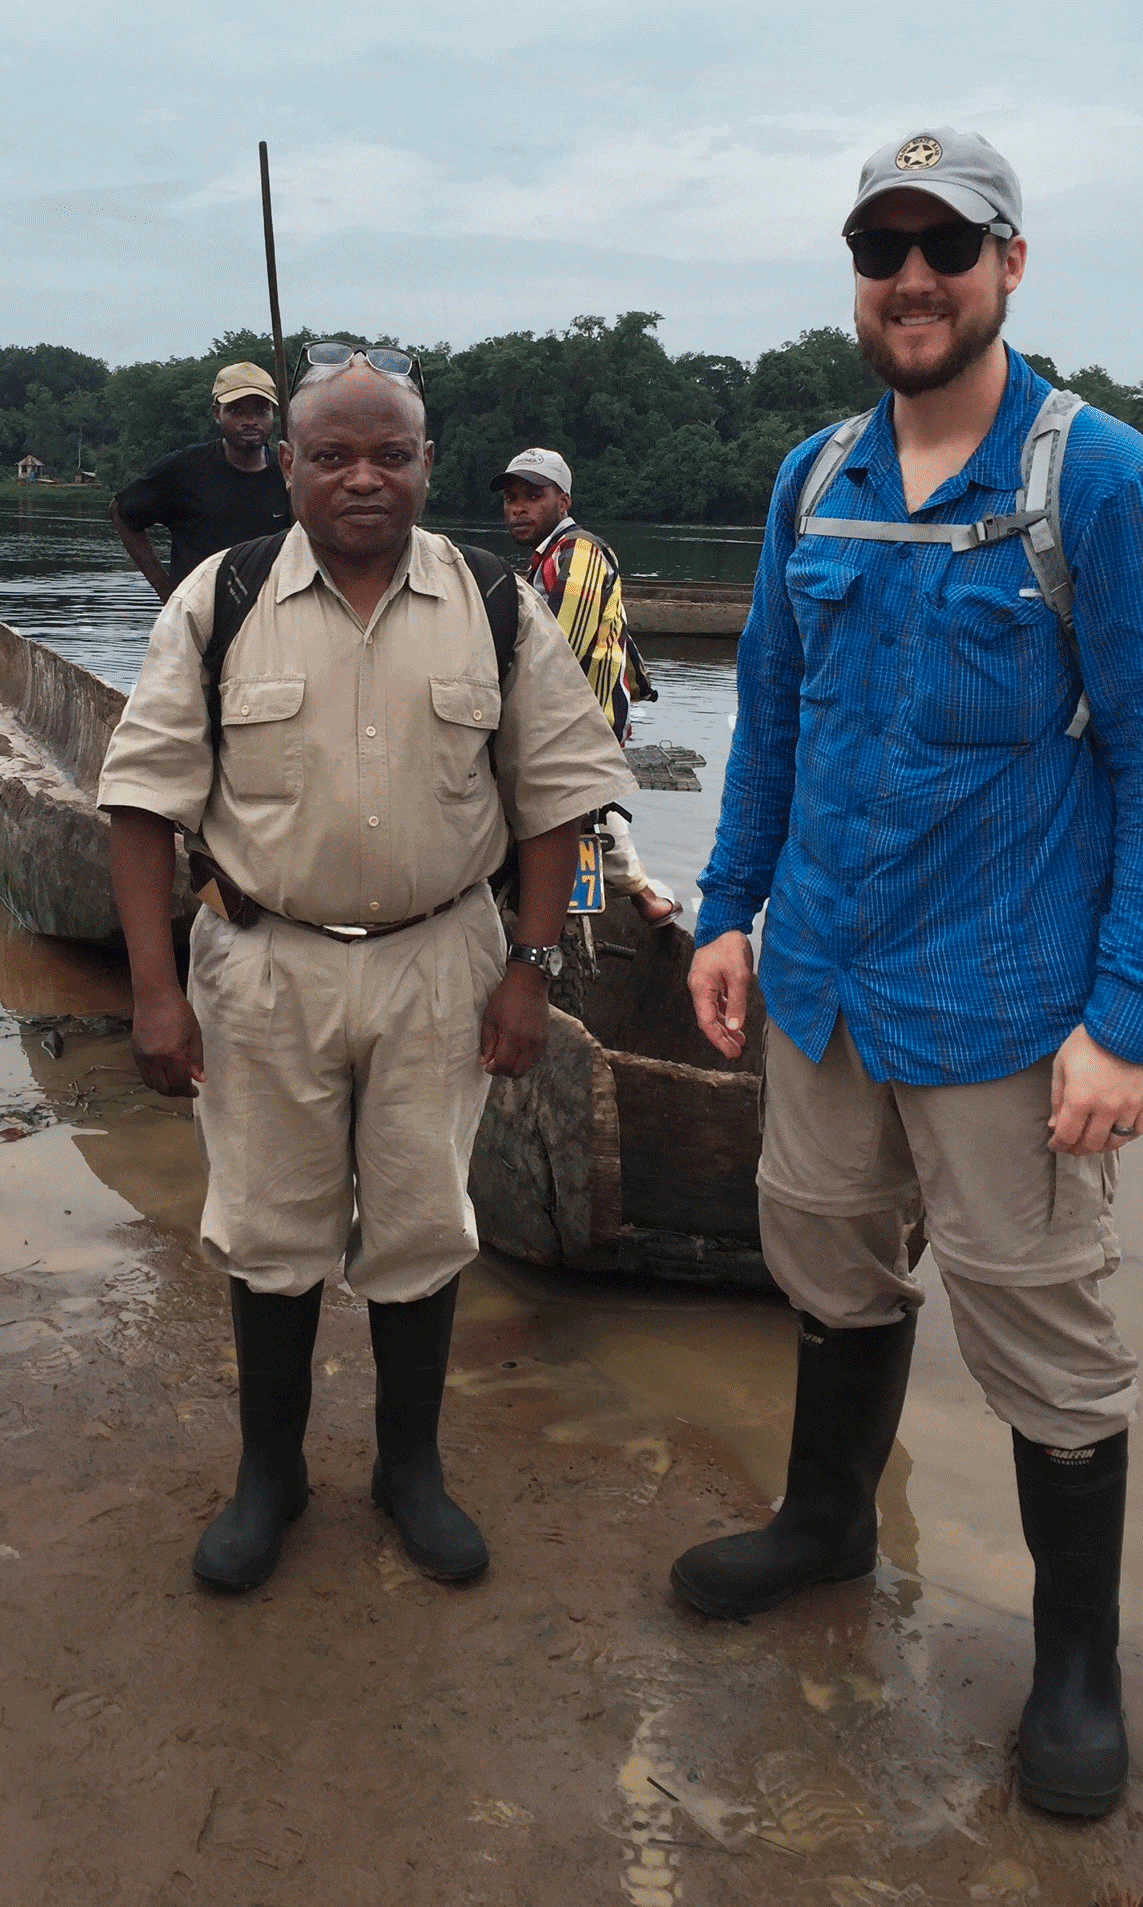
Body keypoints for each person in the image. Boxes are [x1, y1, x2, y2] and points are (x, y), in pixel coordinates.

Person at [669, 129, 1143, 1819]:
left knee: (1041, 1320)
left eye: (947, 246)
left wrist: (1132, 1022)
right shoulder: (815, 476)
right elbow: (773, 707)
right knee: (825, 1257)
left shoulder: (1099, 480)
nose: (912, 279)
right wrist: (722, 909)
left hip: (1006, 1000)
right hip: (824, 976)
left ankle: (1076, 1661)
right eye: (882, 248)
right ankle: (830, 1519)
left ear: (1009, 265)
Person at [99, 346, 634, 1595]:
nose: (362, 476)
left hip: (441, 960)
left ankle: (409, 1468)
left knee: (420, 1219)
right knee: (269, 1226)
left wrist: (531, 967)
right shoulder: (217, 601)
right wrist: (154, 990)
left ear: (426, 463)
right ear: (286, 464)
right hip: (261, 964)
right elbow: (139, 801)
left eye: (389, 453)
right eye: (331, 453)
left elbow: (554, 798)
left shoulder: (497, 601)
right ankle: (269, 1474)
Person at [492, 446, 680, 925]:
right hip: (584, 727)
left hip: (568, 724)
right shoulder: (547, 560)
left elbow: (558, 648)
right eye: (512, 498)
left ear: (563, 501)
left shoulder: (578, 552)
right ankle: (641, 894)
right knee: (590, 803)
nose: (518, 507)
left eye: (533, 496)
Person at [109, 361, 291, 600]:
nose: (250, 421)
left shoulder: (290, 475)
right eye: (236, 410)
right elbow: (121, 512)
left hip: (267, 618)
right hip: (198, 620)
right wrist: (164, 589)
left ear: (273, 414)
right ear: (217, 413)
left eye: (260, 410)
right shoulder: (184, 470)